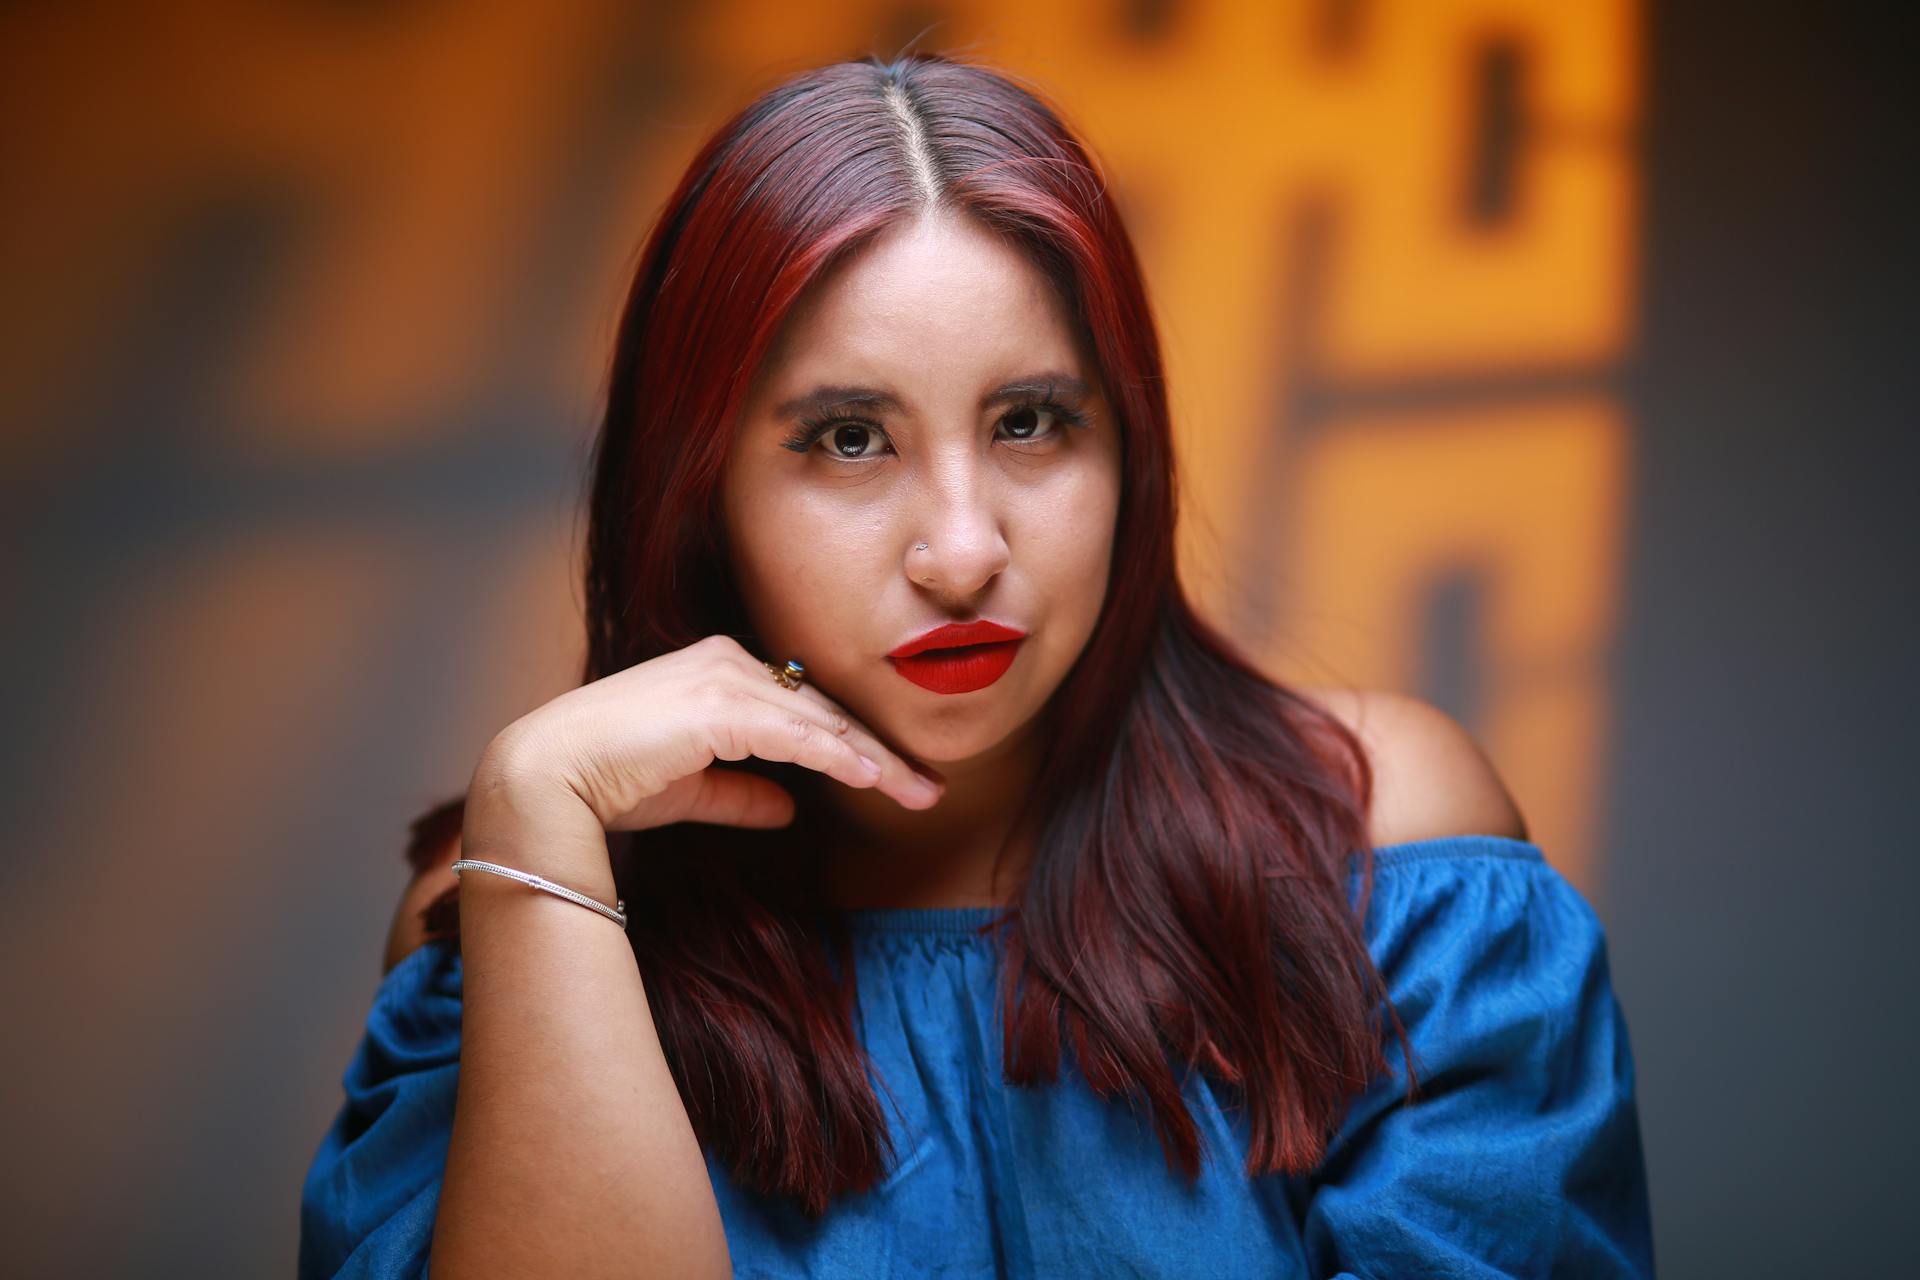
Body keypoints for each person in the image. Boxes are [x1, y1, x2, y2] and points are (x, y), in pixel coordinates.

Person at [299, 52, 1655, 1279]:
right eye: (847, 439)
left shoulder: (1381, 845)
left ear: (1131, 448)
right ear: (698, 487)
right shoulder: (523, 904)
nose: (960, 551)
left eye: (1031, 421)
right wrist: (533, 805)